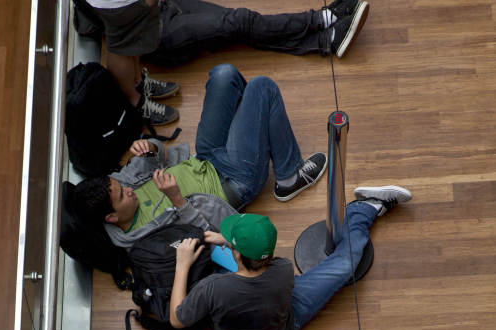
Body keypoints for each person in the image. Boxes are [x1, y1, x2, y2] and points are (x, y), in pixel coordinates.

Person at [73, 63, 328, 241]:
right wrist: (176, 199)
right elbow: (204, 236)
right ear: (112, 217)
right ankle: (288, 178)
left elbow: (159, 154)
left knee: (223, 74)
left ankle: (252, 131)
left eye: (120, 185)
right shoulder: (144, 237)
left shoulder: (118, 184)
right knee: (262, 88)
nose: (127, 188)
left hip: (204, 157)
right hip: (232, 184)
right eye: (122, 196)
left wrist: (150, 148)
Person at [169, 185, 413, 330]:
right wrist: (230, 240)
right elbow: (251, 261)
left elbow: (177, 320)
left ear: (235, 253)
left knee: (208, 251)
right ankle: (365, 208)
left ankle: (367, 207)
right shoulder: (282, 270)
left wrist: (182, 265)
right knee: (344, 265)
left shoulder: (213, 288)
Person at [75, 0, 370, 68]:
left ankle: (325, 39)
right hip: (159, 35)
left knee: (240, 28)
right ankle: (321, 20)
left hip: (164, 8)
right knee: (240, 22)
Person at [82, 0, 181, 126]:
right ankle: (134, 103)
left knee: (131, 38)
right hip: (119, 4)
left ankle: (138, 83)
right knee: (122, 45)